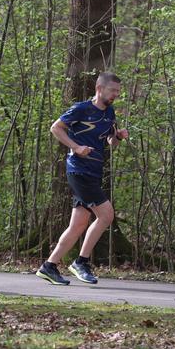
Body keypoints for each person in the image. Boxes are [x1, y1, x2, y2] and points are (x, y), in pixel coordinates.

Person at [36, 72, 129, 285]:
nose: (116, 94)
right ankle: (81, 262)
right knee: (106, 215)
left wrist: (117, 137)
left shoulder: (110, 112)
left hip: (94, 171)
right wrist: (76, 147)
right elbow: (55, 128)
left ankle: (49, 266)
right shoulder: (81, 109)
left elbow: (110, 142)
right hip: (79, 170)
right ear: (99, 88)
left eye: (118, 91)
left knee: (78, 225)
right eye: (112, 90)